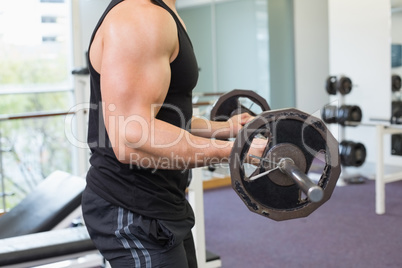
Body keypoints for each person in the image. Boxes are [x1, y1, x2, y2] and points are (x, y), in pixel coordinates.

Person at [81, 0, 266, 267]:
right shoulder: (141, 17)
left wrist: (228, 130)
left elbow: (167, 121)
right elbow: (132, 138)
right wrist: (237, 151)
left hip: (163, 201)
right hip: (131, 205)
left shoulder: (166, 13)